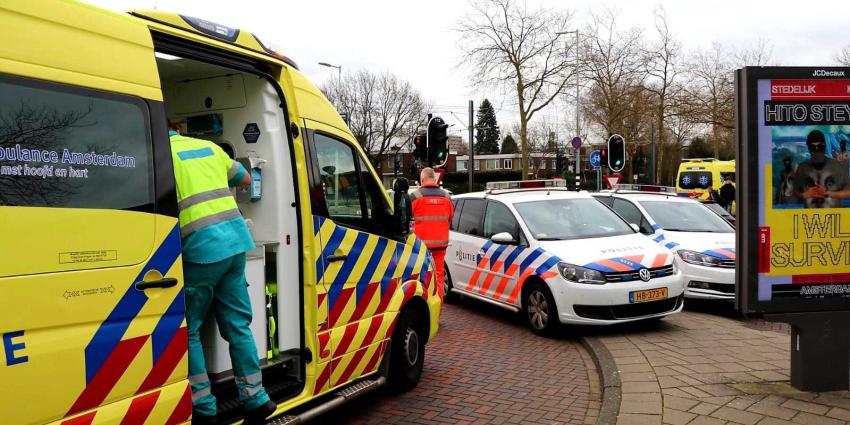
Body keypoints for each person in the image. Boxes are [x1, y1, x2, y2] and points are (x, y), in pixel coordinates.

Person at [169, 123, 275, 425]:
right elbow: (244, 177)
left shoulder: (162, 157)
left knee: (189, 330)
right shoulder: (209, 147)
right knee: (238, 326)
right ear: (178, 128)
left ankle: (204, 408)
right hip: (235, 244)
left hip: (200, 252)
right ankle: (256, 398)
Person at [410, 168, 454, 300]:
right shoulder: (446, 197)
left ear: (422, 179)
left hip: (420, 248)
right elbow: (450, 219)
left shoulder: (414, 197)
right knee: (438, 279)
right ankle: (437, 313)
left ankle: (425, 313)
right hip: (440, 246)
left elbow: (407, 221)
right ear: (434, 179)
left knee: (421, 279)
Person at [794, 129, 850, 208]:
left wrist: (827, 193)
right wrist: (804, 195)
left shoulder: (836, 166)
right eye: (813, 147)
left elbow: (848, 192)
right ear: (809, 148)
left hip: (832, 214)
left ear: (824, 146)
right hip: (810, 216)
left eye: (819, 146)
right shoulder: (803, 167)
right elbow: (795, 191)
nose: (816, 150)